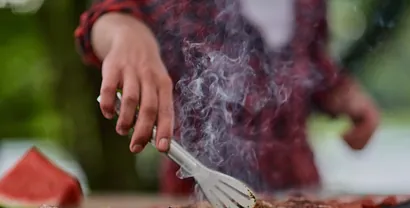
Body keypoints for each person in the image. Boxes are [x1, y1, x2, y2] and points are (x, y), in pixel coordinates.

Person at [75, 0, 379, 195]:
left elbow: (310, 62)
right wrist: (125, 33)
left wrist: (345, 95)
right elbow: (105, 16)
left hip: (300, 187)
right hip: (201, 194)